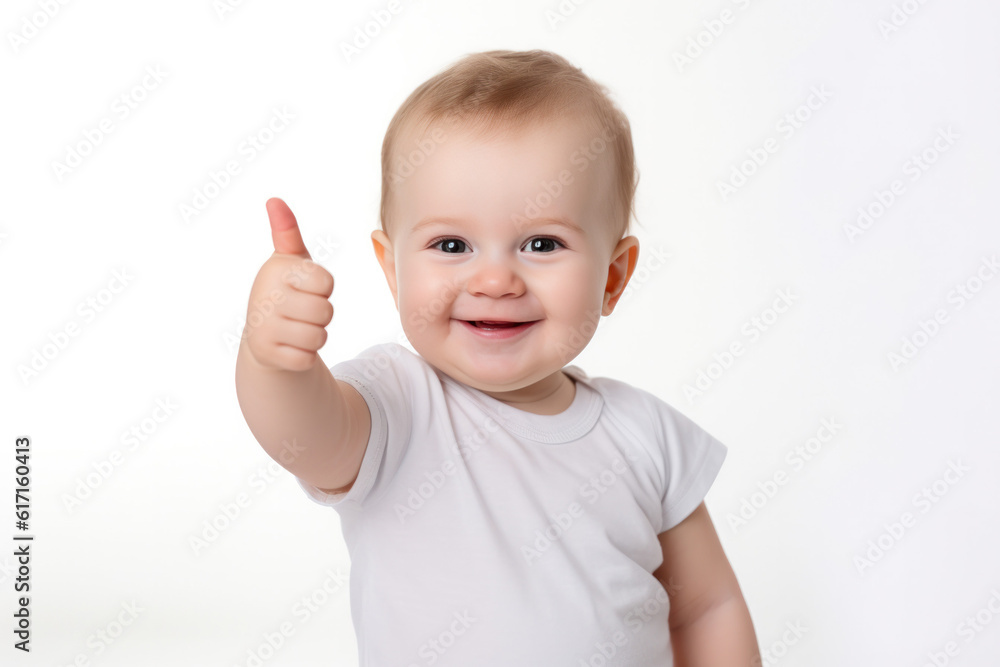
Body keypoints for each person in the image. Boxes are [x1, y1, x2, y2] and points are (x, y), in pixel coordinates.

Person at [235, 49, 760, 666]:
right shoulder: (397, 405)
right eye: (451, 245)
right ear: (393, 271)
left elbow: (705, 607)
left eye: (542, 243)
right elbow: (303, 435)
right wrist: (274, 363)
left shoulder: (647, 435)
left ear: (613, 277)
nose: (494, 280)